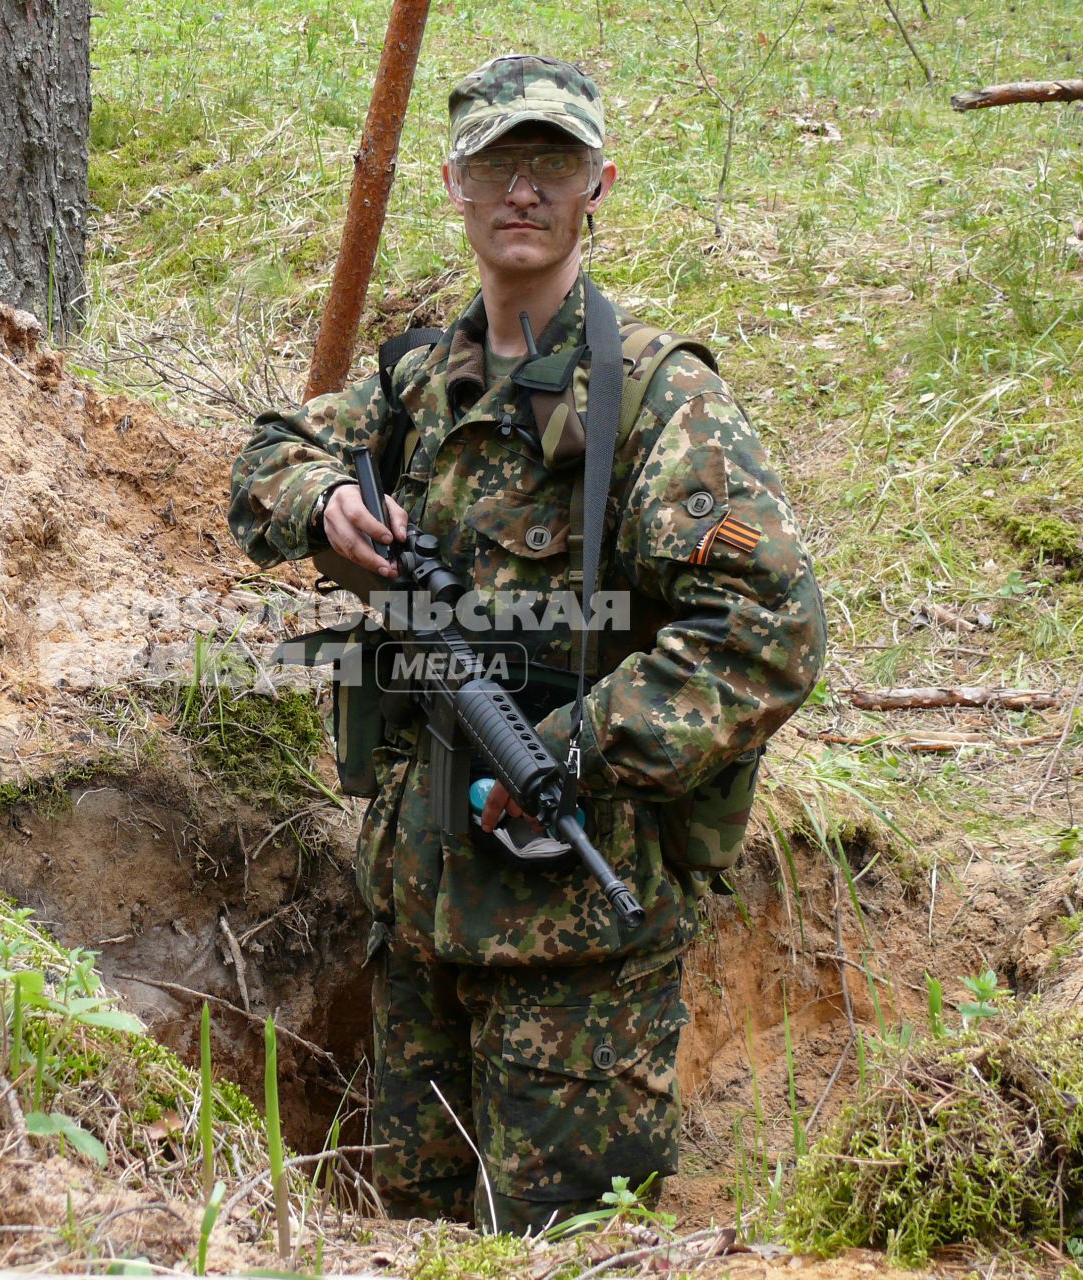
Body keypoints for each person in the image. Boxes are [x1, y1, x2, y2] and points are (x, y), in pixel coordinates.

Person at [227, 54, 826, 1233]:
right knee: (407, 1235)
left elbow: (766, 629)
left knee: (559, 1246)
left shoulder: (658, 400)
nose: (521, 190)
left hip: (576, 945)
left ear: (598, 182)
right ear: (454, 180)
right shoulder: (417, 380)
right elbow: (264, 458)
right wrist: (324, 507)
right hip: (416, 920)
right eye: (498, 162)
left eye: (549, 162)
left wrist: (575, 744)